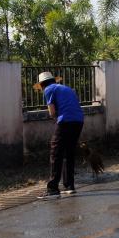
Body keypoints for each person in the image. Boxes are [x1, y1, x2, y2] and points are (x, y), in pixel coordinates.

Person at [37, 71, 84, 199]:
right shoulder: (66, 88)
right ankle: (69, 186)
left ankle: (52, 189)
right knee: (69, 153)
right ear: (53, 80)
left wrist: (57, 119)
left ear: (42, 84)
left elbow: (52, 112)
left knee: (56, 152)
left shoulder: (48, 89)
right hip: (79, 120)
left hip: (66, 121)